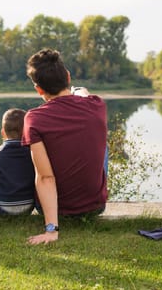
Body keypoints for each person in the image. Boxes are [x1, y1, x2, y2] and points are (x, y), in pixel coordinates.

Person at [22, 48, 108, 245]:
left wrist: (52, 229)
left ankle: (53, 222)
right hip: (95, 207)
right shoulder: (97, 105)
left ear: (38, 89)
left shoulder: (34, 118)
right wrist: (79, 91)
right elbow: (84, 94)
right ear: (68, 76)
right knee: (99, 140)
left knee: (37, 150)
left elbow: (45, 177)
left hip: (54, 209)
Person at [0, 108, 35, 215]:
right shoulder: (32, 152)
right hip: (28, 205)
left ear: (3, 133)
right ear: (27, 132)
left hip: (1, 207)